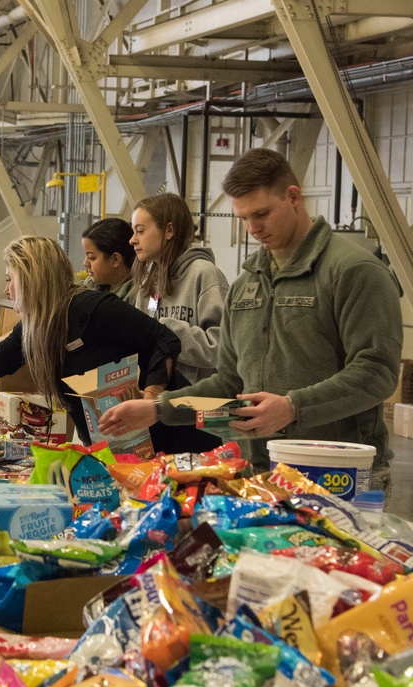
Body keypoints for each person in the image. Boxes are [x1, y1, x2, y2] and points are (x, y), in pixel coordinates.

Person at [99, 148, 402, 498]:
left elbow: (376, 371)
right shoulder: (246, 285)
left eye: (261, 214)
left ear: (293, 197)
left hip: (335, 474)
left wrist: (292, 408)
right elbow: (229, 383)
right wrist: (157, 410)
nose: (253, 228)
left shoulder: (353, 271)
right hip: (259, 472)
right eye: (243, 218)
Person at [0, 235, 187, 448]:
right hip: (110, 440)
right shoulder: (37, 326)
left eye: (10, 279)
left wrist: (150, 402)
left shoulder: (93, 309)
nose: (6, 289)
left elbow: (164, 340)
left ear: (31, 278)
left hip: (165, 435)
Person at [130, 193, 229, 385]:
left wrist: (165, 331)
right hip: (158, 399)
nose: (132, 240)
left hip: (196, 402)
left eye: (140, 231)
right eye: (133, 231)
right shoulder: (148, 284)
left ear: (169, 230)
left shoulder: (205, 275)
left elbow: (221, 349)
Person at [82, 217, 136, 303]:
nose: (85, 263)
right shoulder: (90, 286)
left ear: (115, 259)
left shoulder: (137, 296)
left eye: (92, 257)